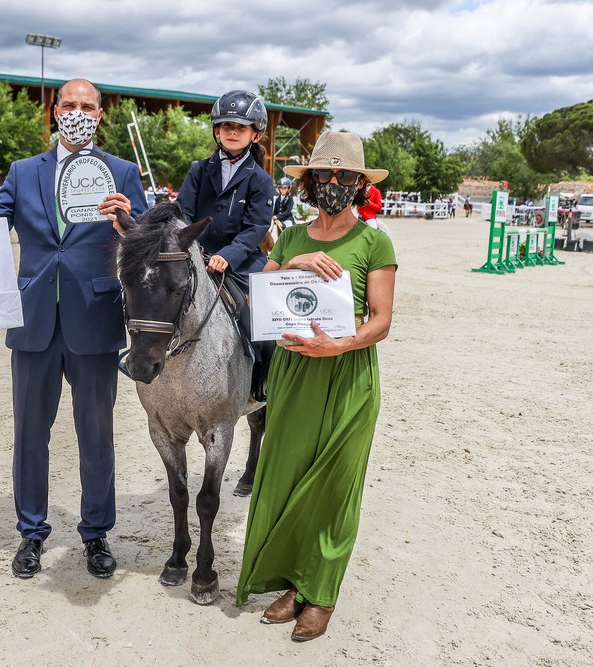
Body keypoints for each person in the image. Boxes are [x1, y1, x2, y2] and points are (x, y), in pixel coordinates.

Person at [0, 78, 147, 579]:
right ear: (55, 110)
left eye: (87, 106)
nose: (78, 112)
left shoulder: (122, 171)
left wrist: (128, 221)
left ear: (100, 114)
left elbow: (145, 239)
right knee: (30, 435)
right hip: (34, 319)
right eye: (69, 104)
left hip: (94, 317)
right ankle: (31, 532)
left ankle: (96, 533)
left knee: (97, 436)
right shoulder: (23, 171)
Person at [235, 131, 397, 642]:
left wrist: (339, 346)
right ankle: (294, 583)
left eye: (344, 175)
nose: (333, 181)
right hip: (293, 373)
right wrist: (293, 263)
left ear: (358, 184)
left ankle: (320, 593)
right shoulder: (290, 238)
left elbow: (381, 320)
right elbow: (256, 302)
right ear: (309, 180)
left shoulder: (374, 241)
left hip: (348, 375)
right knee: (288, 478)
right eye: (324, 173)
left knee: (334, 486)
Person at [175, 89, 275, 400]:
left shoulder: (260, 180)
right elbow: (183, 214)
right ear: (217, 131)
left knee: (258, 317)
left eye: (240, 127)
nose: (232, 132)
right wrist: (190, 249)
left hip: (240, 262)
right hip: (197, 256)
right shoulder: (198, 170)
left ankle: (261, 380)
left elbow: (255, 228)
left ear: (255, 135)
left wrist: (227, 256)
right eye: (226, 126)